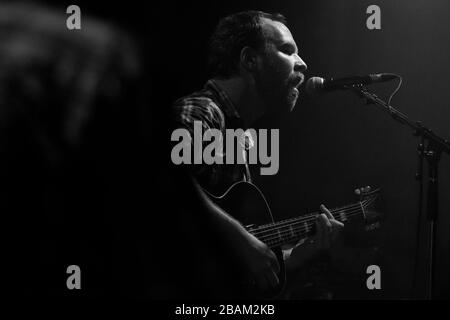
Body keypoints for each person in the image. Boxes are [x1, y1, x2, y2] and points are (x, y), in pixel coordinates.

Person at [171, 11, 344, 298]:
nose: (303, 63)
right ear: (250, 60)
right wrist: (242, 241)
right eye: (288, 50)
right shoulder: (203, 112)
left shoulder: (239, 137)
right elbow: (154, 179)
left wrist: (305, 251)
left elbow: (233, 261)